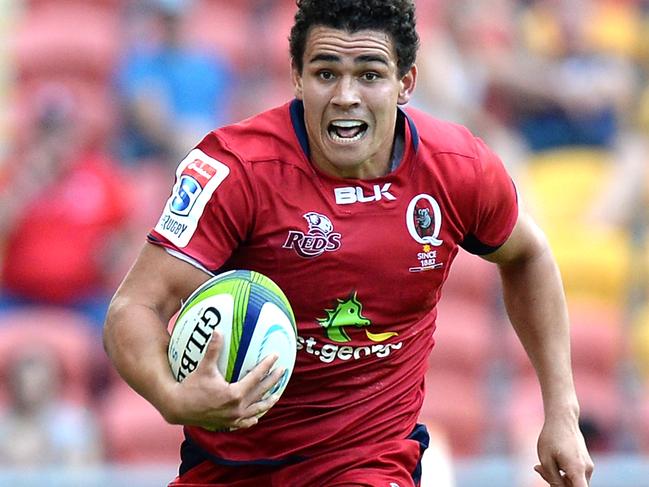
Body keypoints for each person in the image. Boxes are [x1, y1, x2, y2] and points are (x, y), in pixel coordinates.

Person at [103, 1, 594, 485]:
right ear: (296, 76)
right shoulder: (237, 169)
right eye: (325, 73)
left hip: (370, 462)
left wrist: (562, 411)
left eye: (370, 75)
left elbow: (528, 255)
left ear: (407, 83)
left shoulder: (456, 168)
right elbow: (135, 306)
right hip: (229, 466)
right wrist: (171, 397)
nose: (345, 95)